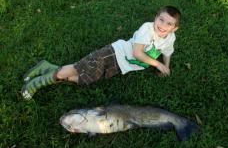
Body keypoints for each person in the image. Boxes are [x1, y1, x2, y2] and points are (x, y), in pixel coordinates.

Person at [21, 6, 181, 100]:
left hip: (121, 67)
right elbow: (138, 53)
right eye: (161, 19)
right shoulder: (147, 29)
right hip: (113, 53)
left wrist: (166, 66)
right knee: (78, 68)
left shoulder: (169, 38)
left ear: (174, 28)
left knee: (86, 79)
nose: (163, 25)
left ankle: (47, 67)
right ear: (155, 18)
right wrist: (158, 64)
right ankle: (39, 82)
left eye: (169, 23)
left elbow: (167, 51)